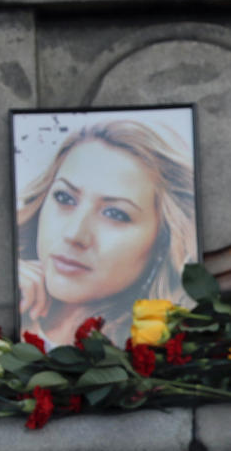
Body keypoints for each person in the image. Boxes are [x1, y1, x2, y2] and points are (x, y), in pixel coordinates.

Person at [16, 118, 197, 348]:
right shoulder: (8, 298)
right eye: (65, 198)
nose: (74, 234)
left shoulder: (158, 352)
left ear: (163, 241)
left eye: (115, 214)